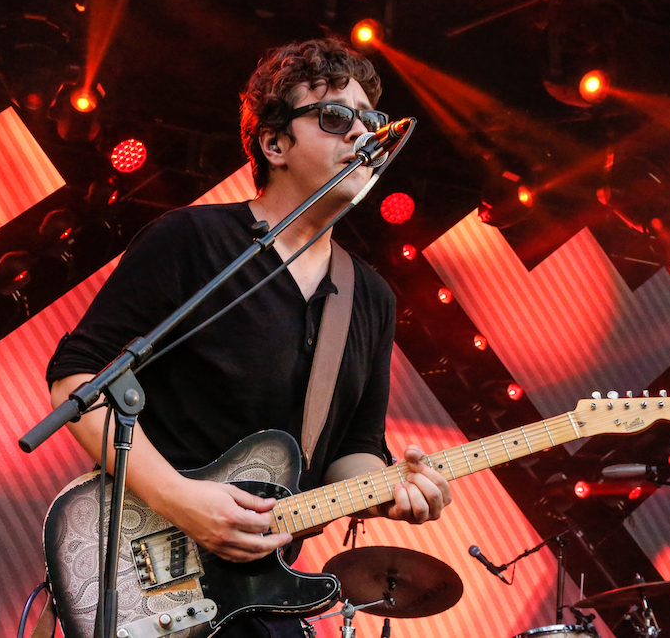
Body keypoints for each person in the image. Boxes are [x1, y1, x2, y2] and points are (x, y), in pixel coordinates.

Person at [46, 38, 451, 635]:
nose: (362, 136)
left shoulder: (371, 297)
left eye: (373, 122)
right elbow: (79, 378)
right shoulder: (191, 239)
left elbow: (352, 448)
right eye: (336, 117)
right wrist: (179, 499)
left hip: (258, 592)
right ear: (274, 143)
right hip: (149, 572)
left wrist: (393, 488)